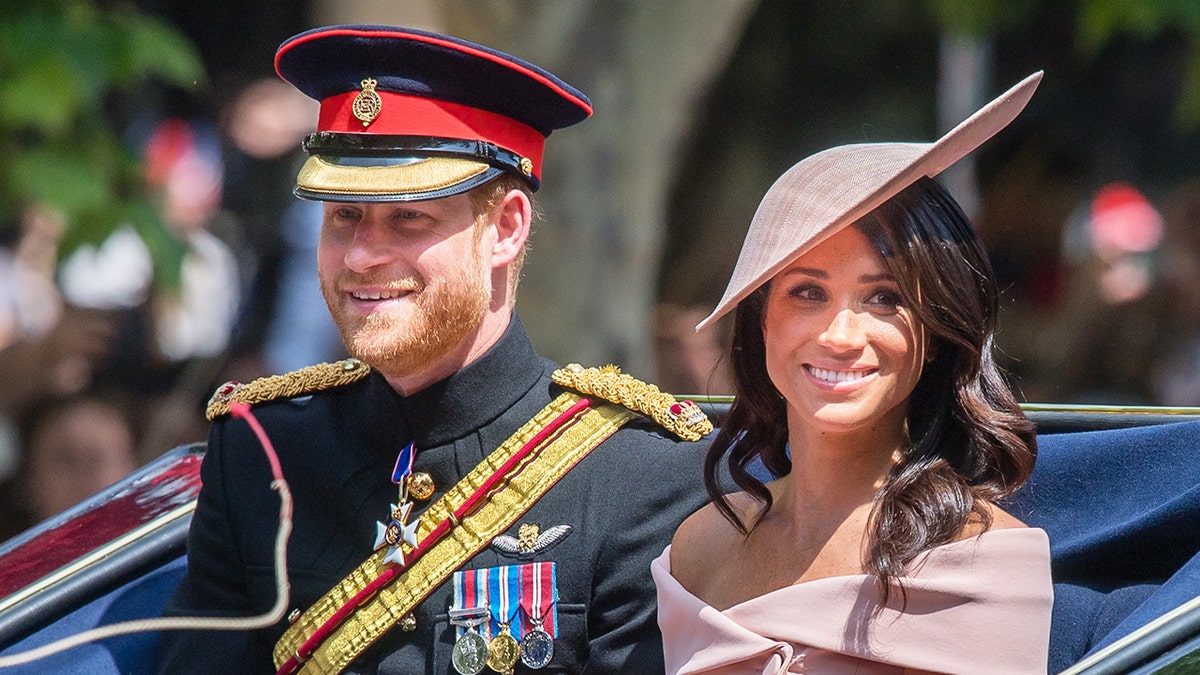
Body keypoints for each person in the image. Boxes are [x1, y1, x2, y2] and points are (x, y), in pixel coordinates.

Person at [157, 24, 714, 674]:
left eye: (408, 218)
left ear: (505, 228)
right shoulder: (261, 453)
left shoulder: (641, 478)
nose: (362, 256)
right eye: (343, 216)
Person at [653, 73, 1054, 674]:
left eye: (885, 298)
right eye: (807, 292)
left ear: (939, 330)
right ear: (761, 322)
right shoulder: (696, 549)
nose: (840, 336)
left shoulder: (984, 562)